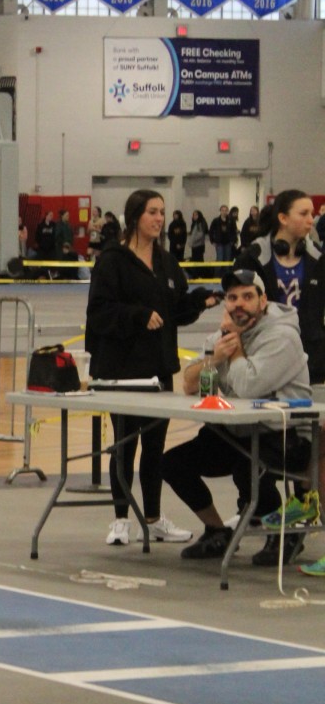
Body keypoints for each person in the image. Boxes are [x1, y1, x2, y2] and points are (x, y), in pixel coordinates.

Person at [85, 188, 218, 548]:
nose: (159, 219)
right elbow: (99, 312)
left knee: (154, 447)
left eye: (162, 212)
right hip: (120, 370)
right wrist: (137, 316)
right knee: (124, 446)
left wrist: (200, 302)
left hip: (158, 368)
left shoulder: (166, 262)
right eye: (152, 212)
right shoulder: (112, 260)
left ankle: (154, 519)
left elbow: (174, 311)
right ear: (135, 217)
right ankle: (120, 520)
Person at [163, 268, 313, 564]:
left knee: (249, 470)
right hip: (238, 431)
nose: (239, 304)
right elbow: (190, 383)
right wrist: (215, 357)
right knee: (173, 463)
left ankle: (285, 534)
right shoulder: (221, 337)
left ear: (263, 301)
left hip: (285, 435)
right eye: (232, 298)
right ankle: (217, 531)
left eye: (247, 297)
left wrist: (234, 347)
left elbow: (247, 389)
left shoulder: (282, 336)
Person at [234, 190, 325, 557]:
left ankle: (300, 516)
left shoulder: (317, 258)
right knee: (256, 443)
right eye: (304, 213)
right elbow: (238, 302)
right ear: (283, 218)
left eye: (313, 213)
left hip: (311, 365)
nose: (311, 219)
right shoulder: (254, 257)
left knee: (311, 445)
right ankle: (263, 515)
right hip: (266, 361)